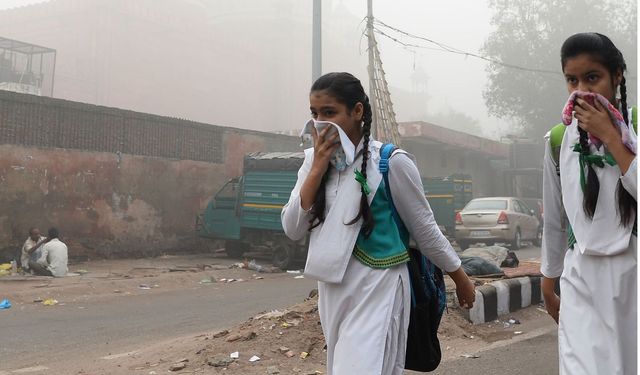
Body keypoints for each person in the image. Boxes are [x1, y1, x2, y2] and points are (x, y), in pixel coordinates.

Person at [281, 72, 475, 374]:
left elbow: (425, 230)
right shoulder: (312, 162)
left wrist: (460, 277)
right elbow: (292, 227)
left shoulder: (391, 162)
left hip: (380, 284)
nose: (320, 122)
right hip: (332, 288)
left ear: (357, 111)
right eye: (315, 113)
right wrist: (317, 168)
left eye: (329, 113)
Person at [541, 33, 636, 375]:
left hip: (632, 278)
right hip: (581, 281)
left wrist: (611, 136)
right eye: (572, 80)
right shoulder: (556, 141)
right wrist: (549, 279)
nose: (581, 89)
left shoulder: (636, 127)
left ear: (618, 76)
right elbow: (554, 219)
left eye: (592, 78)